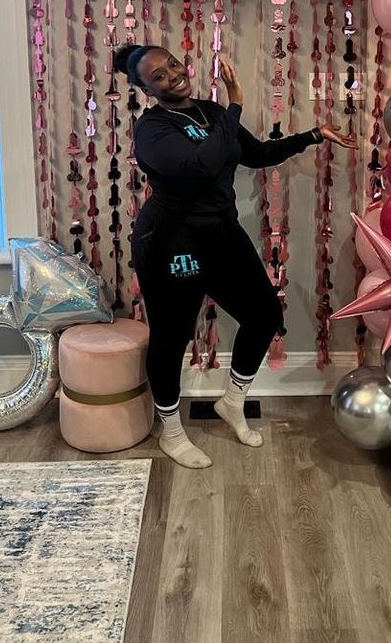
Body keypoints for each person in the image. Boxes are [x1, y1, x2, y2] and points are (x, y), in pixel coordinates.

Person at [114, 44, 356, 468]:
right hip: (172, 242)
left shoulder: (210, 112)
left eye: (172, 63)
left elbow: (257, 153)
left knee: (263, 316)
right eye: (158, 76)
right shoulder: (151, 130)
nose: (172, 74)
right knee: (172, 337)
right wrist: (237, 102)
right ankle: (171, 433)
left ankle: (232, 401)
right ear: (144, 89)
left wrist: (313, 136)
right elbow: (203, 164)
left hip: (221, 233)